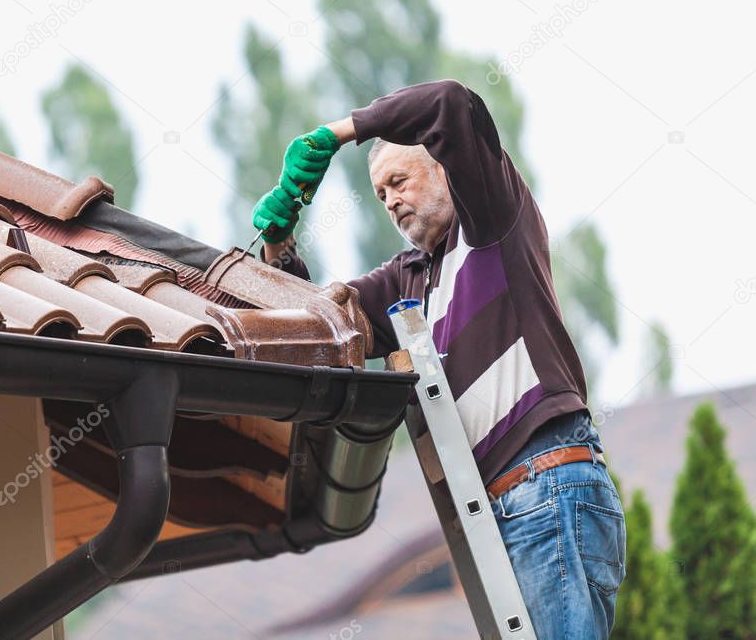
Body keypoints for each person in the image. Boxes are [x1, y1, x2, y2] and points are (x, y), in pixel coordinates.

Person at [251, 80, 626, 639]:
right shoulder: (409, 278)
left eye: (399, 181)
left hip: (545, 485)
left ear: (447, 168)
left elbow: (451, 102)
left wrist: (337, 133)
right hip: (499, 509)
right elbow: (322, 328)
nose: (391, 201)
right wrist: (279, 243)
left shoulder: (493, 221)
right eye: (380, 195)